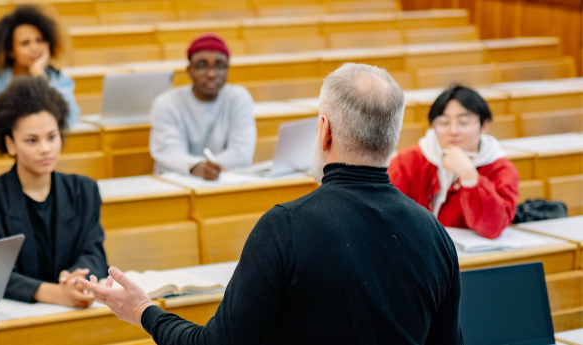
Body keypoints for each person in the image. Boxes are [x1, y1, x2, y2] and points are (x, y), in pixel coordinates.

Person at [80, 64, 463, 344]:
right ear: (392, 136)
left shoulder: (286, 227)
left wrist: (142, 311)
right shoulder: (433, 233)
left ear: (324, 130)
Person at [0, 76, 107, 308]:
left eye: (52, 137)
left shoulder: (85, 190)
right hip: (17, 313)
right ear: (10, 144)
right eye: (32, 141)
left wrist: (74, 280)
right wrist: (54, 293)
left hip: (73, 309)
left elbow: (95, 254)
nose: (46, 149)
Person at [389, 84, 519, 239]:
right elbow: (389, 213)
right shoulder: (408, 161)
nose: (453, 131)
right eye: (444, 123)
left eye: (463, 123)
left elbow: (493, 228)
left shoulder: (500, 169)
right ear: (433, 126)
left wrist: (470, 178)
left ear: (484, 125)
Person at [149, 33, 256, 180]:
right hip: (177, 182)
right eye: (201, 66)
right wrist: (196, 167)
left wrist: (209, 169)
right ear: (189, 70)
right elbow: (168, 152)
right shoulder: (167, 103)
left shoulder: (238, 98)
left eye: (219, 66)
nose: (211, 74)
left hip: (225, 181)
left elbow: (242, 153)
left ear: (228, 69)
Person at [0, 4, 80, 129]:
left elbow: (70, 117)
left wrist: (40, 76)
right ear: (11, 51)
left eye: (39, 40)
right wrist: (23, 118)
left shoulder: (55, 76)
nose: (34, 48)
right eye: (25, 43)